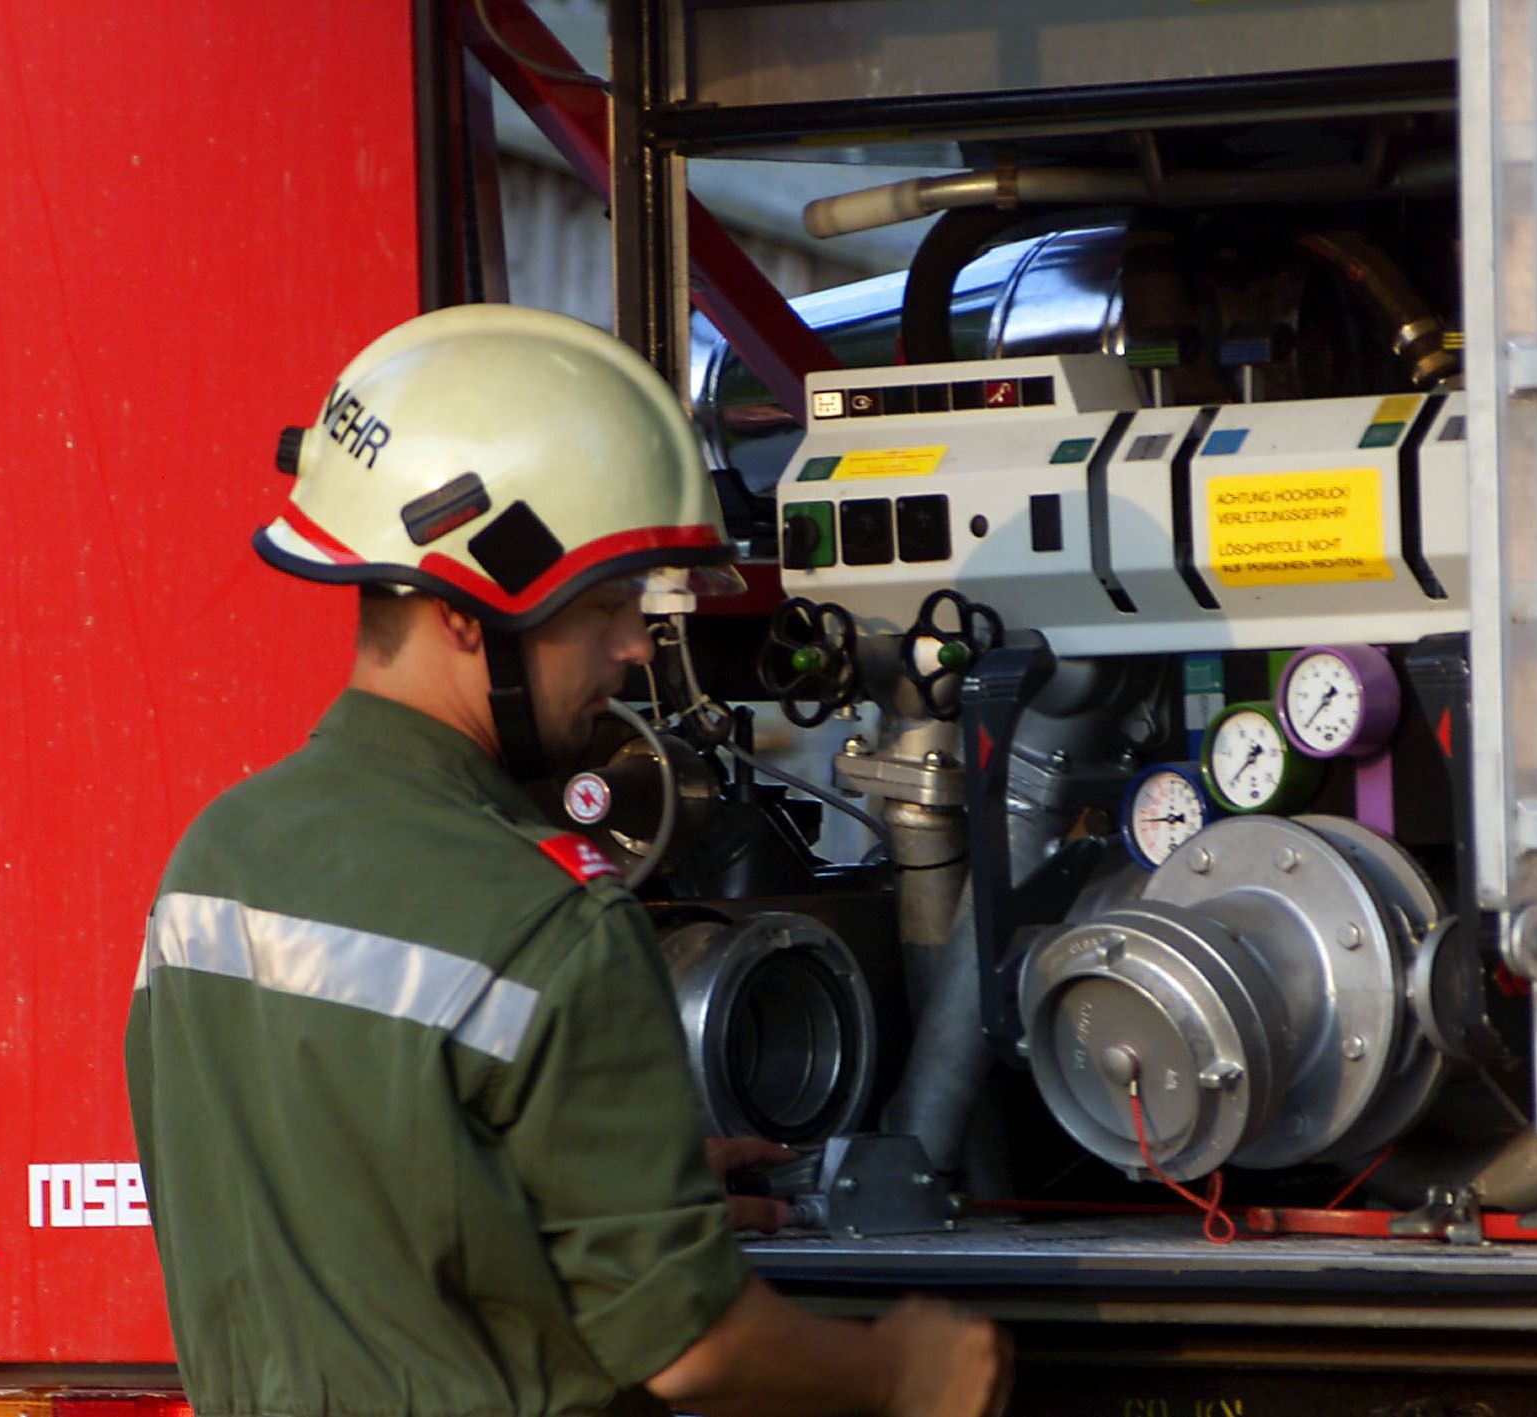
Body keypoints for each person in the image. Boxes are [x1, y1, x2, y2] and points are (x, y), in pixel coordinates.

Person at [123, 305, 1010, 1417]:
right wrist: (903, 1372)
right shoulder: (549, 927)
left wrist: (601, 1197)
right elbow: (695, 1353)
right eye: (599, 610)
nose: (635, 647)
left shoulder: (213, 860)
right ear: (462, 613)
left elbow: (339, 1210)